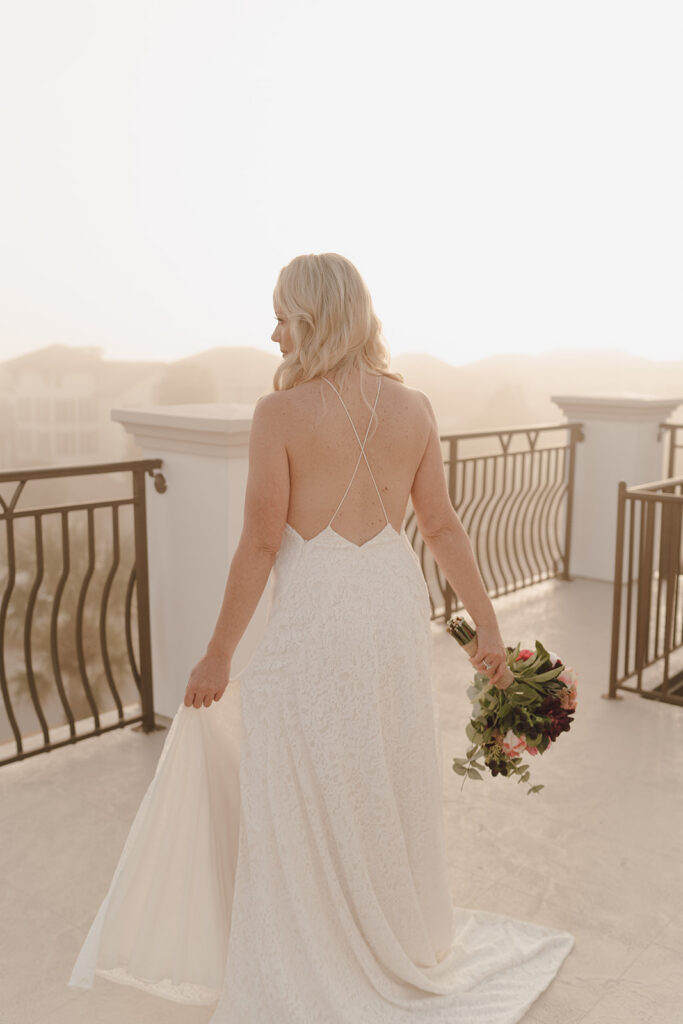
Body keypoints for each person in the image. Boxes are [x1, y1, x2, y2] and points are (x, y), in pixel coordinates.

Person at [69, 253, 573, 1022]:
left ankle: (323, 939)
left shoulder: (280, 414)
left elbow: (261, 544)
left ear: (313, 318)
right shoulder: (416, 407)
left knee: (302, 767)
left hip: (319, 611)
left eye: (282, 315)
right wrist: (490, 635)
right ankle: (389, 930)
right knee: (380, 759)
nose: (273, 332)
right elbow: (440, 527)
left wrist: (217, 653)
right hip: (388, 600)